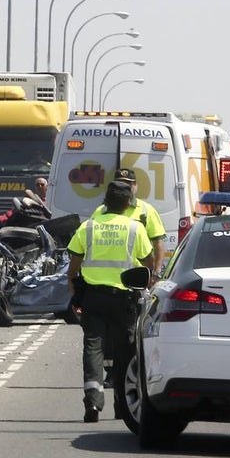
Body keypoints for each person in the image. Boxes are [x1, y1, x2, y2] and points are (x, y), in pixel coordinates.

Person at [67, 181, 153, 423]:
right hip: (124, 300)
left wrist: (74, 291)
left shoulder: (88, 227)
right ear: (128, 204)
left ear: (104, 202)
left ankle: (93, 402)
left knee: (93, 347)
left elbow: (73, 267)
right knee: (125, 350)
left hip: (93, 297)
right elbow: (148, 263)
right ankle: (121, 406)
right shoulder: (135, 228)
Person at [94, 168, 167, 279]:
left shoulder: (146, 210)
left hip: (135, 275)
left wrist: (156, 272)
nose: (125, 187)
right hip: (105, 274)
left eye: (128, 184)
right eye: (121, 183)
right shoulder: (101, 210)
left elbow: (158, 243)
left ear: (136, 185)